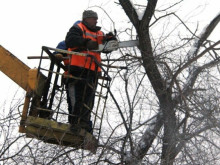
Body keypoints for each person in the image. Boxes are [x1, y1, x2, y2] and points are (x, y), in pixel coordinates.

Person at [62, 10, 115, 133]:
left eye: (96, 18)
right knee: (78, 98)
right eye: (93, 18)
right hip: (78, 69)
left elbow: (106, 49)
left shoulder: (99, 33)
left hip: (93, 72)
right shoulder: (78, 28)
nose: (96, 20)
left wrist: (111, 40)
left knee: (88, 100)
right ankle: (75, 123)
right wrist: (86, 43)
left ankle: (84, 124)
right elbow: (70, 41)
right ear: (86, 19)